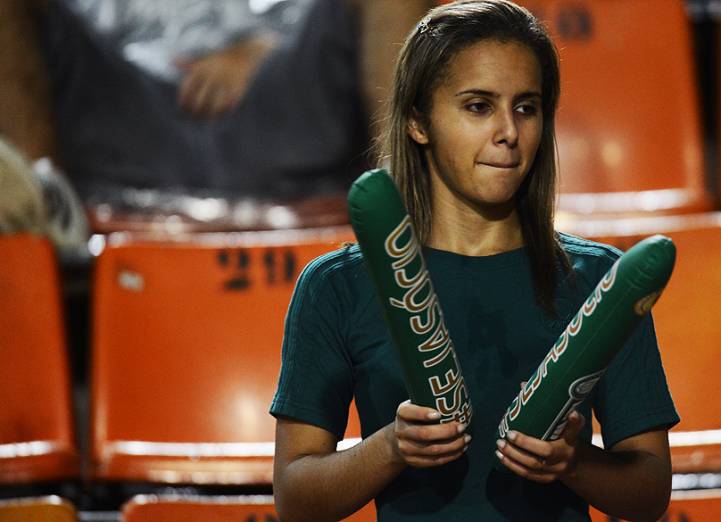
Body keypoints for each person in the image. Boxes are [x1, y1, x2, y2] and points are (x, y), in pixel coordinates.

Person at [270, 1, 679, 520]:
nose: (509, 131)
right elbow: (296, 499)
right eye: (478, 106)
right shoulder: (337, 285)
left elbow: (650, 493)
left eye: (526, 107)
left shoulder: (599, 278)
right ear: (419, 120)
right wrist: (392, 447)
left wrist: (573, 462)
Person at [0, 0, 429, 227]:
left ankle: (405, 213)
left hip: (273, 91)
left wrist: (266, 46)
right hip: (128, 101)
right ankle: (40, 219)